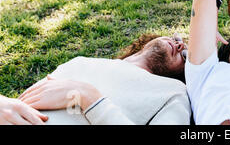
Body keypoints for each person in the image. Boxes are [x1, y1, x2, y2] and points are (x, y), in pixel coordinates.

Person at [0, 33, 191, 125]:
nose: (180, 44)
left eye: (186, 56)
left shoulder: (174, 93)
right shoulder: (81, 62)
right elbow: (22, 104)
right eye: (177, 38)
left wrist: (88, 97)